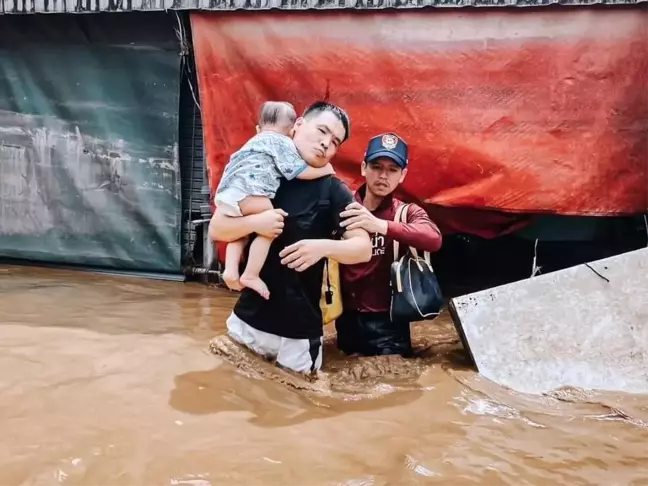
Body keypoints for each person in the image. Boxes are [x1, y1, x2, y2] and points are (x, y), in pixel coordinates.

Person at [209, 101, 372, 375]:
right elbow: (218, 229)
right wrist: (256, 222)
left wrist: (321, 247)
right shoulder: (262, 169)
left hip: (297, 335)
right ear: (298, 125)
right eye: (322, 131)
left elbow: (363, 248)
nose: (325, 144)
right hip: (247, 320)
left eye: (334, 142)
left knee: (298, 406)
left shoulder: (333, 190)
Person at [215, 101, 336, 300]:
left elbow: (218, 230)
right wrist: (326, 170)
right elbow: (297, 172)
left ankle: (230, 269)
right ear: (292, 129)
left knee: (241, 233)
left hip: (229, 193)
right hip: (251, 192)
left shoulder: (253, 141)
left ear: (258, 128)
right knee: (270, 225)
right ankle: (251, 274)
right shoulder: (282, 142)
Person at [336, 133, 443, 357]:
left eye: (392, 170)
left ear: (402, 175)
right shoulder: (341, 207)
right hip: (343, 321)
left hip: (389, 328)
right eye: (376, 166)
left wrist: (381, 225)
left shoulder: (405, 212)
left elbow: (433, 238)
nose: (383, 176)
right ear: (364, 168)